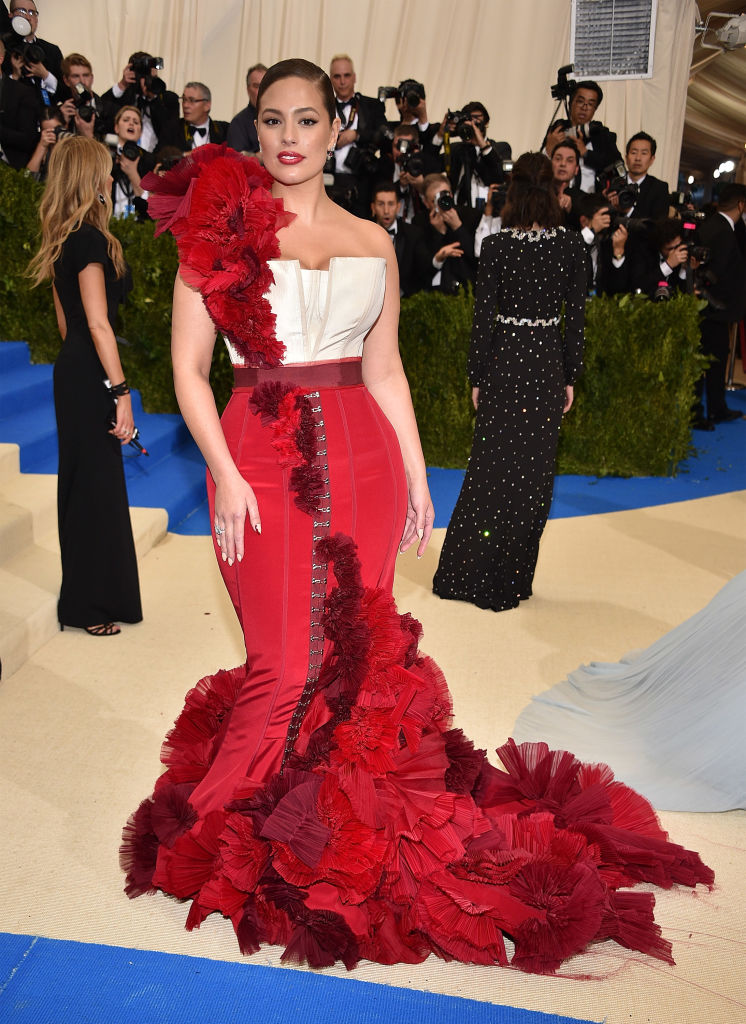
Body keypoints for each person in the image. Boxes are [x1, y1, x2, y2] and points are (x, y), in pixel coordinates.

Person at [120, 63, 711, 974]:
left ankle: (324, 821)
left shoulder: (372, 239)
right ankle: (216, 829)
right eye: (273, 119)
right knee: (284, 660)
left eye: (308, 119)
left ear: (335, 129)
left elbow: (385, 367)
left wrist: (415, 470)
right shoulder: (222, 229)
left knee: (356, 655)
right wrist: (226, 474)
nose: (289, 136)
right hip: (259, 455)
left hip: (363, 455)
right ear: (256, 124)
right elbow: (190, 372)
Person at [433, 152, 587, 610]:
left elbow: (484, 320)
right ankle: (511, 578)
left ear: (513, 193)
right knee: (532, 476)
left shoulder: (497, 246)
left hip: (504, 361)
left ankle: (468, 573)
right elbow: (575, 320)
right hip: (544, 364)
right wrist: (570, 375)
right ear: (555, 191)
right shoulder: (572, 246)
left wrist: (476, 375)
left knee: (490, 470)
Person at [28, 135, 142, 635]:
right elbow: (99, 324)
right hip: (92, 368)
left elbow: (65, 325)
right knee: (94, 486)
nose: (109, 178)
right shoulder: (90, 241)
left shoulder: (60, 239)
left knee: (82, 484)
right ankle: (89, 607)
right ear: (90, 178)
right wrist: (120, 392)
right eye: (103, 171)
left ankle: (86, 599)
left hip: (70, 368)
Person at [543, 80, 621, 193]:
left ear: (595, 109)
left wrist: (586, 154)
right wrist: (548, 151)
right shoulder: (558, 130)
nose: (584, 108)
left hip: (590, 202)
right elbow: (537, 168)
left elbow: (617, 166)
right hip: (556, 198)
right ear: (571, 103)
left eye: (590, 104)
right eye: (580, 101)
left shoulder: (601, 134)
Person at [109, 105, 155, 218]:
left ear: (140, 132)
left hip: (137, 225)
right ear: (116, 128)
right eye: (126, 120)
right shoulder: (104, 155)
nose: (131, 124)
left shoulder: (149, 160)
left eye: (136, 122)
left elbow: (151, 203)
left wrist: (133, 174)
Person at [159, 81, 229, 153]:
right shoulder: (171, 129)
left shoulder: (224, 130)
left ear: (207, 105)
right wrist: (184, 155)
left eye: (192, 100)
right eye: (184, 99)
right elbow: (160, 157)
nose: (185, 105)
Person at [226, 62, 266, 154]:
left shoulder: (281, 118)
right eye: (256, 86)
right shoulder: (238, 122)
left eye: (265, 85)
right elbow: (236, 160)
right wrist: (259, 157)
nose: (261, 90)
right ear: (248, 89)